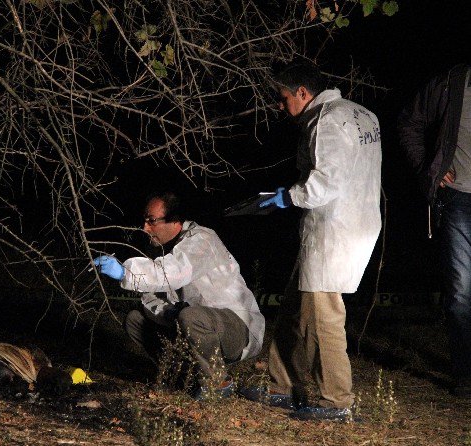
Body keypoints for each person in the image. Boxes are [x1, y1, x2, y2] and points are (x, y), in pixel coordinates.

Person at [244, 60, 382, 421]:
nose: (280, 105)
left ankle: (335, 400)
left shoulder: (328, 120)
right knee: (295, 304)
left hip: (334, 229)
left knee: (323, 314)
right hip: (358, 221)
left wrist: (285, 197)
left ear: (303, 93)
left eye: (283, 97)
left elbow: (325, 183)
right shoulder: (363, 114)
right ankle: (281, 385)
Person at [92, 191, 265, 400]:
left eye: (152, 221)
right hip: (196, 325)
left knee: (191, 317)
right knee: (135, 320)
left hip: (237, 328)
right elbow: (150, 298)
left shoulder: (202, 240)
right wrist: (171, 312)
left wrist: (125, 272)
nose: (145, 228)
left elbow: (172, 272)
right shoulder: (161, 248)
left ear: (174, 221)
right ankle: (184, 379)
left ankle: (218, 382)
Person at [397, 63, 471, 398]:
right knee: (460, 293)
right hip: (459, 200)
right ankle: (465, 376)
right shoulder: (450, 82)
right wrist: (430, 169)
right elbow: (409, 124)